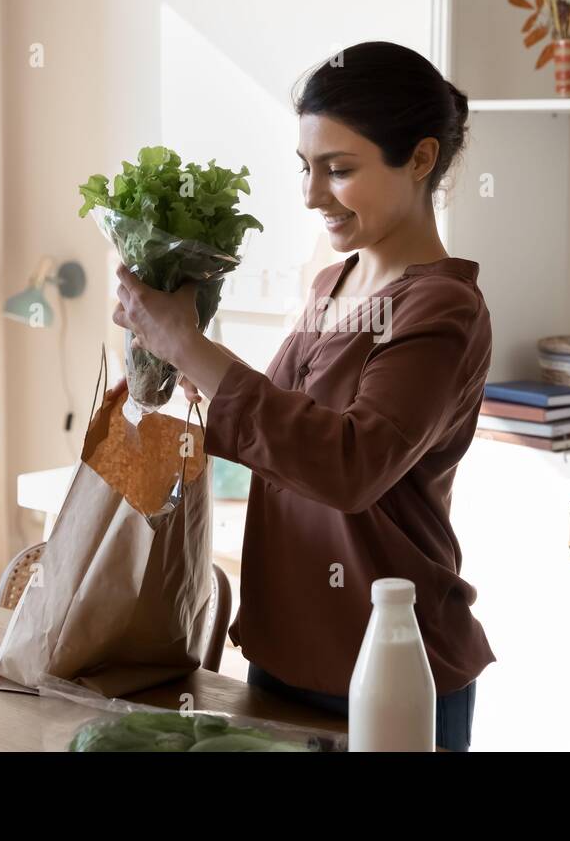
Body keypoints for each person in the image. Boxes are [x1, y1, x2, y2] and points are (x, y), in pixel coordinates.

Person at [110, 41, 494, 751]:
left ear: (418, 159)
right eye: (307, 168)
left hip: (389, 669)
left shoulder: (443, 311)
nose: (313, 194)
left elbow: (347, 464)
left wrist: (189, 346)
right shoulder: (332, 285)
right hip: (284, 651)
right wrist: (162, 342)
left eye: (339, 170)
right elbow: (277, 428)